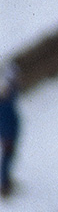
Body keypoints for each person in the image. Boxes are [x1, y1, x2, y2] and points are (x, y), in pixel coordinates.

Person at [0, 62, 17, 197]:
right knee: (6, 158)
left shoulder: (8, 98)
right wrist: (6, 137)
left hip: (11, 133)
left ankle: (6, 182)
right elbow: (4, 121)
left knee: (8, 158)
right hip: (8, 135)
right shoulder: (4, 103)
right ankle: (4, 185)